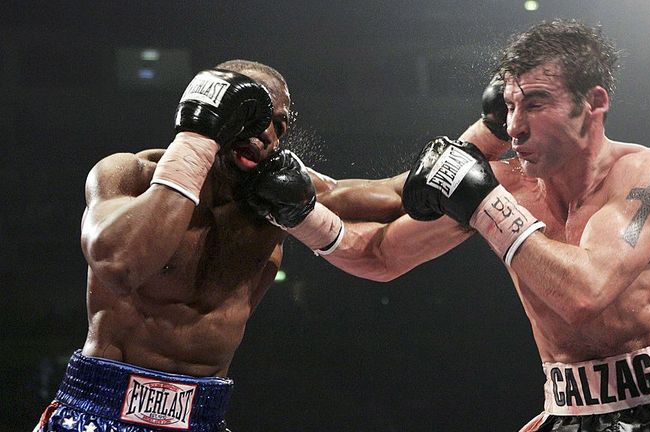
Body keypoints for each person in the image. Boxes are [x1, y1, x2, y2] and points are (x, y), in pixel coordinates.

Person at [293, 20, 650, 431]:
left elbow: (585, 291)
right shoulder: (506, 187)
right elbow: (378, 254)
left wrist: (484, 203)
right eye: (510, 107)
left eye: (535, 103)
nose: (515, 126)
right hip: (572, 413)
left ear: (593, 102)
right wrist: (291, 207)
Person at [33, 59, 405, 432]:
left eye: (279, 124)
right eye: (255, 114)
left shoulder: (276, 196)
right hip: (101, 411)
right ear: (219, 110)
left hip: (204, 416)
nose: (267, 133)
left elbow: (390, 194)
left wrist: (457, 157)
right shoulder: (132, 175)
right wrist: (198, 140)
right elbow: (118, 264)